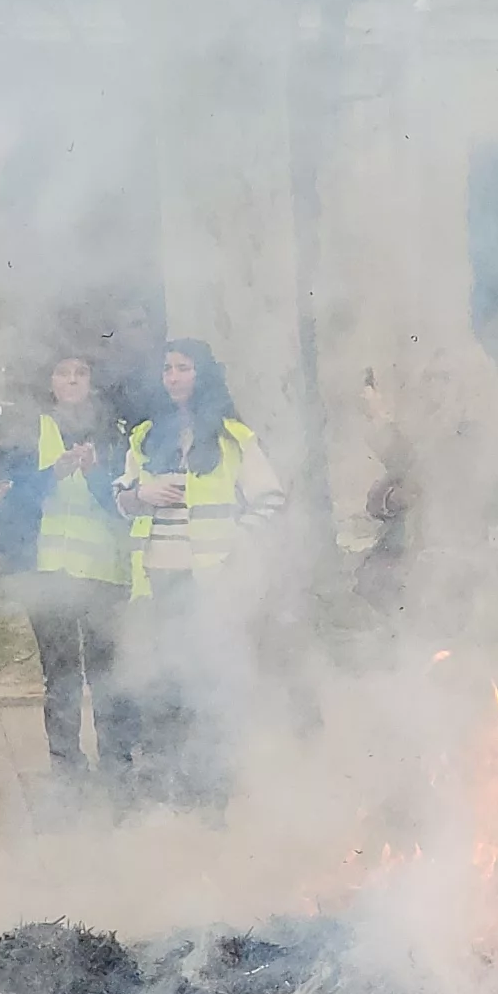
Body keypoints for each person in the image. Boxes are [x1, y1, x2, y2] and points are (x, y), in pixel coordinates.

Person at [115, 337, 286, 809]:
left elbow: (271, 500)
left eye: (183, 368)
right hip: (159, 579)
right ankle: (173, 786)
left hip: (214, 583)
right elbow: (121, 498)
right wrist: (142, 495)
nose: (173, 377)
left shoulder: (233, 436)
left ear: (203, 373)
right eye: (167, 369)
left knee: (212, 683)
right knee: (165, 683)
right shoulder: (144, 435)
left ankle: (213, 789)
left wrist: (236, 540)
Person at [6, 351, 132, 792]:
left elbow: (125, 502)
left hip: (104, 573)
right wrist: (52, 474)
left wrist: (95, 474)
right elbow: (14, 496)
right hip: (51, 575)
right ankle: (67, 771)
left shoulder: (115, 432)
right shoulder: (32, 429)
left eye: (82, 372)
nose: (73, 380)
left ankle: (116, 766)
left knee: (107, 674)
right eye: (63, 373)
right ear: (50, 381)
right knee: (59, 678)